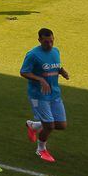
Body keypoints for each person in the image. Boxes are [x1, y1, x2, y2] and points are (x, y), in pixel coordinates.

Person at [21, 27, 69, 163]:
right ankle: (41, 149)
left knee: (61, 125)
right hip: (38, 95)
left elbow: (55, 65)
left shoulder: (56, 51)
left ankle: (34, 126)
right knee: (49, 126)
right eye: (46, 42)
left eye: (51, 41)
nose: (49, 44)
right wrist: (40, 79)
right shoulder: (33, 55)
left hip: (54, 93)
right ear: (39, 40)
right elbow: (24, 72)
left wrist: (62, 71)